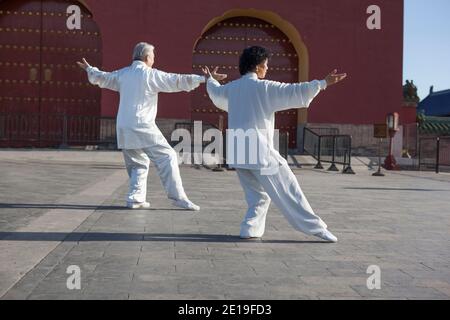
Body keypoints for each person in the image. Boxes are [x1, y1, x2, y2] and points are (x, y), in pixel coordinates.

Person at [203, 46, 346, 242]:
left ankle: (249, 228)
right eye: (266, 65)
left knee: (258, 197)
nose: (267, 69)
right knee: (289, 188)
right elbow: (294, 91)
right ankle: (316, 228)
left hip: (238, 152)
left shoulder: (231, 88)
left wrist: (210, 79)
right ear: (259, 66)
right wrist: (323, 83)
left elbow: (215, 92)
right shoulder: (264, 87)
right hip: (260, 152)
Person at [77, 42, 226, 210]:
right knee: (168, 156)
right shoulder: (149, 75)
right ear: (147, 57)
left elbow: (103, 77)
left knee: (138, 163)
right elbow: (176, 80)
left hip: (123, 125)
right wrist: (204, 78)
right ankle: (178, 197)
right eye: (153, 57)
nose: (154, 61)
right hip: (142, 125)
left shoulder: (123, 74)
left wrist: (90, 70)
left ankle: (135, 198)